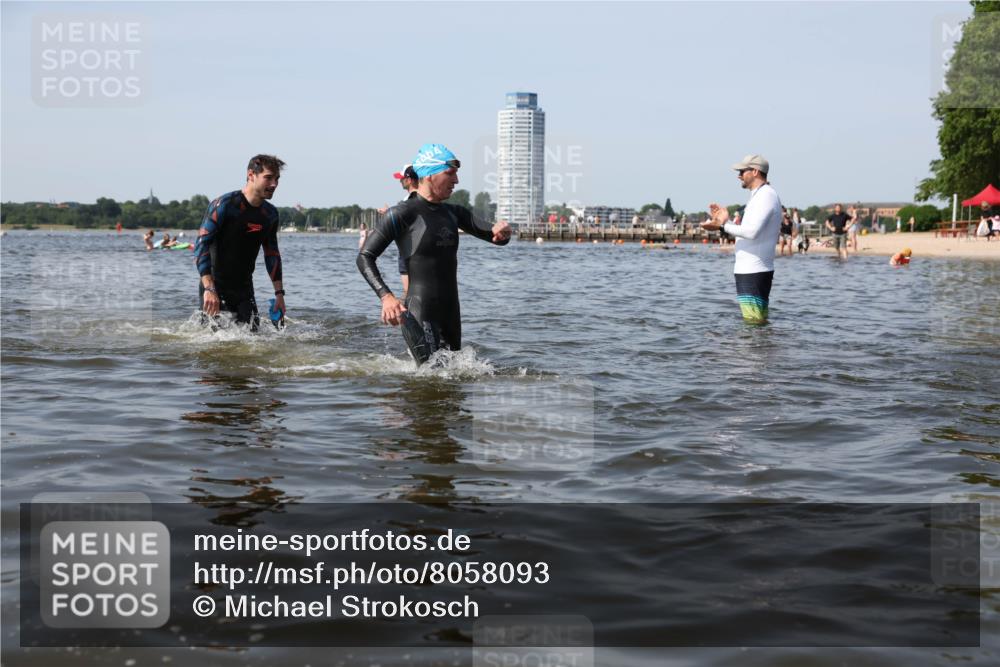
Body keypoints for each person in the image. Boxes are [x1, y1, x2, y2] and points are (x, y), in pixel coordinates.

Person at [357, 143, 511, 359]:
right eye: (450, 174)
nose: (456, 181)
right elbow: (365, 257)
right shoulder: (401, 213)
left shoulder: (454, 213)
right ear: (429, 175)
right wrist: (386, 297)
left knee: (453, 382)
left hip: (451, 312)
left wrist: (503, 232)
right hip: (420, 310)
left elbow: (496, 237)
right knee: (428, 380)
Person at [194, 154, 286, 330]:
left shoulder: (270, 214)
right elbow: (201, 246)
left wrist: (279, 295)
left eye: (277, 179)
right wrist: (209, 288)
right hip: (215, 286)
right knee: (212, 344)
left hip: (244, 289)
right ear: (251, 175)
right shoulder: (225, 205)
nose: (274, 184)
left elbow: (272, 254)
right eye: (268, 178)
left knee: (252, 339)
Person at [701, 154, 782, 324]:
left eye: (741, 171)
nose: (738, 175)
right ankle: (761, 349)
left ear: (754, 171)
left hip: (754, 270)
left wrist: (722, 226)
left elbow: (752, 232)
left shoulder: (766, 195)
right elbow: (748, 230)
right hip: (749, 270)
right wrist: (725, 221)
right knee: (755, 322)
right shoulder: (759, 195)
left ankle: (756, 350)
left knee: (754, 324)